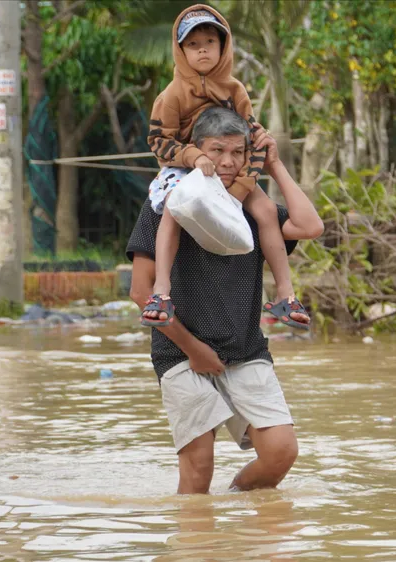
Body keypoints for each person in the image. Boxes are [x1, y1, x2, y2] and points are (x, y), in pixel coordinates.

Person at [127, 107, 324, 494]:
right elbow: (140, 291)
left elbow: (309, 225)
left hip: (245, 349)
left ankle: (236, 505)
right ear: (196, 151)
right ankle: (200, 531)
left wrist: (275, 165)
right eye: (217, 150)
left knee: (281, 451)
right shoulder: (164, 206)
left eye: (238, 152)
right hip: (181, 353)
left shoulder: (254, 210)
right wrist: (193, 349)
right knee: (199, 467)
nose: (228, 162)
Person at [140, 4, 309, 331]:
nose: (202, 49)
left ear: (223, 46)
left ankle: (285, 295)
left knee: (267, 211)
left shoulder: (235, 90)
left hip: (233, 169)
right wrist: (194, 157)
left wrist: (241, 188)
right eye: (193, 44)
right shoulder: (171, 95)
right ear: (181, 50)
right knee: (173, 208)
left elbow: (252, 139)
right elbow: (159, 142)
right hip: (185, 167)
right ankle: (161, 291)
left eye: (210, 42)